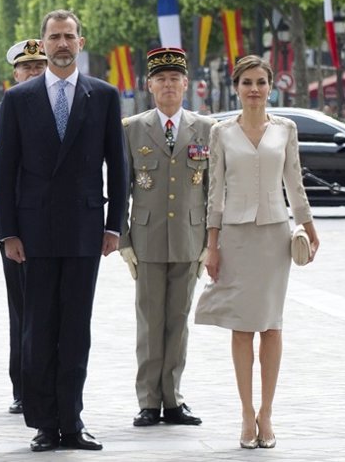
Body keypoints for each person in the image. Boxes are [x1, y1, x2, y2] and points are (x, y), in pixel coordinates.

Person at [0, 9, 127, 452]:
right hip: (32, 232)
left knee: (75, 328)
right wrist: (7, 232)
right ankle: (43, 423)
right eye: (55, 37)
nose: (62, 44)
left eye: (69, 36)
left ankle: (71, 421)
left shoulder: (104, 96)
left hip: (85, 228)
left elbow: (118, 166)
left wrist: (115, 226)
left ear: (81, 42)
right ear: (43, 43)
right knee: (37, 329)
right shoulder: (18, 99)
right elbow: (4, 169)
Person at [194, 55, 319, 450]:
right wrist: (211, 247)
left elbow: (294, 183)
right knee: (241, 325)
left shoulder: (286, 129)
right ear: (236, 87)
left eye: (260, 82)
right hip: (234, 236)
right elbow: (214, 194)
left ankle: (267, 412)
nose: (254, 89)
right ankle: (246, 412)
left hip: (274, 237)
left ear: (270, 87)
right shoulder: (221, 132)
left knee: (271, 324)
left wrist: (311, 229)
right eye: (246, 82)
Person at [119, 48, 216, 428]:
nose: (168, 85)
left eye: (175, 78)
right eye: (161, 79)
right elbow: (121, 187)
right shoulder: (132, 128)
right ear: (149, 85)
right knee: (149, 321)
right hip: (146, 239)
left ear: (186, 83)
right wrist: (124, 240)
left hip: (190, 238)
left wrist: (211, 240)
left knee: (178, 321)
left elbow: (213, 188)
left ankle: (173, 399)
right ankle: (148, 400)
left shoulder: (206, 128)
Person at [0, 38, 47, 415]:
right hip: (16, 229)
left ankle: (50, 382)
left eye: (39, 67)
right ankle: (23, 385)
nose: (33, 73)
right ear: (14, 74)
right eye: (27, 68)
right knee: (21, 310)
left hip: (53, 226)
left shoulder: (60, 107)